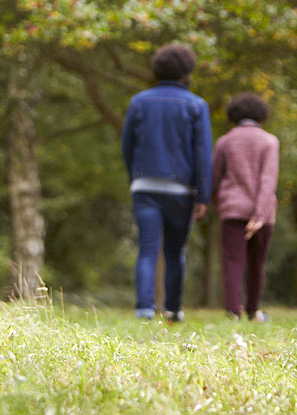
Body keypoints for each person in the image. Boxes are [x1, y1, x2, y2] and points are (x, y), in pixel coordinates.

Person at [121, 44, 213, 323]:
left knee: (148, 249)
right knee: (175, 252)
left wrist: (136, 176)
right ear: (187, 72)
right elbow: (202, 153)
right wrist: (203, 196)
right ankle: (173, 310)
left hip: (145, 186)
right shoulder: (197, 105)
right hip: (181, 189)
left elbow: (127, 146)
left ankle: (145, 309)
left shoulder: (139, 101)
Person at [212, 93, 279, 322]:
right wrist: (259, 215)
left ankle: (233, 311)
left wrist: (217, 203)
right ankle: (253, 311)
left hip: (232, 209)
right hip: (264, 213)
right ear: (261, 117)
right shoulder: (270, 142)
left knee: (232, 260)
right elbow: (268, 180)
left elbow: (215, 177)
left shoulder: (224, 141)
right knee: (256, 263)